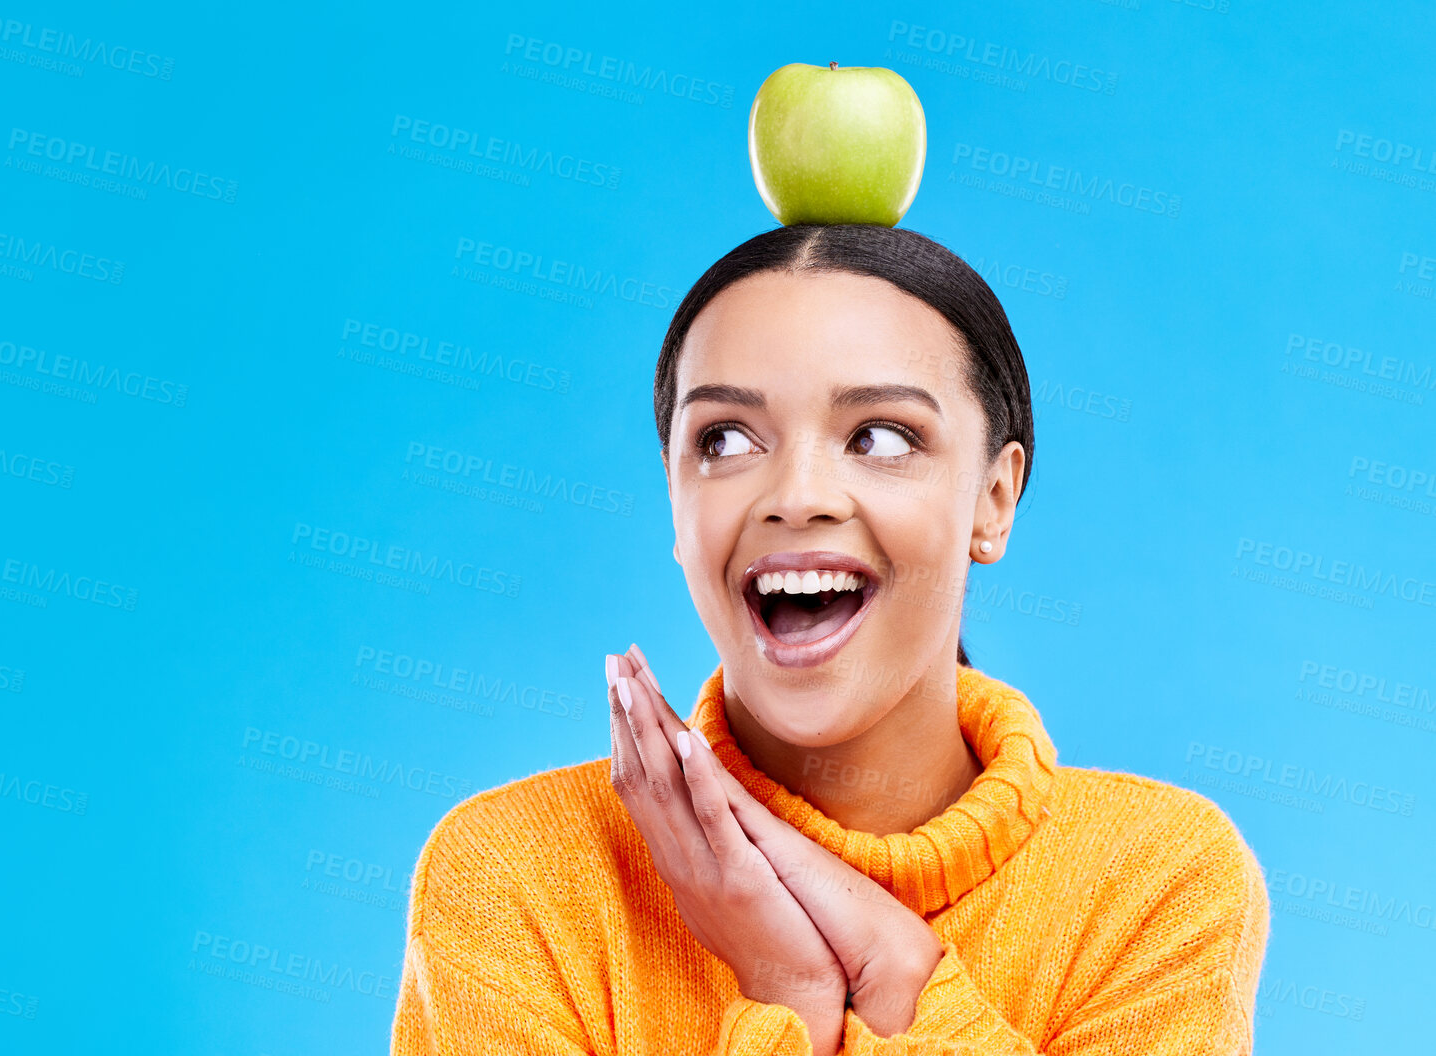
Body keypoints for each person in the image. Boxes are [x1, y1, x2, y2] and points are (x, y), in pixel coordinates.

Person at [389, 224, 1270, 1055]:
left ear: (992, 501)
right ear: (673, 496)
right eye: (725, 439)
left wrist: (891, 974)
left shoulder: (1155, 883)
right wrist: (789, 999)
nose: (797, 494)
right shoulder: (514, 876)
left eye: (879, 437)